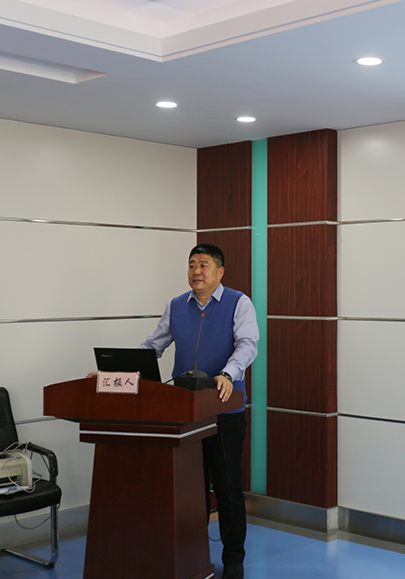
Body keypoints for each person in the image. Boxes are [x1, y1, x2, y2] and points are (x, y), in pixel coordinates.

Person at [140, 243, 259, 579]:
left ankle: (233, 559)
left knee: (227, 486)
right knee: (189, 489)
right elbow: (152, 346)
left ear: (220, 272)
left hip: (224, 410)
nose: (196, 271)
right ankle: (191, 556)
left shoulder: (239, 302)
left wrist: (228, 374)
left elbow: (247, 344)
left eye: (204, 265)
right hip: (184, 413)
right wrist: (115, 372)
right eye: (192, 264)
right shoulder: (176, 305)